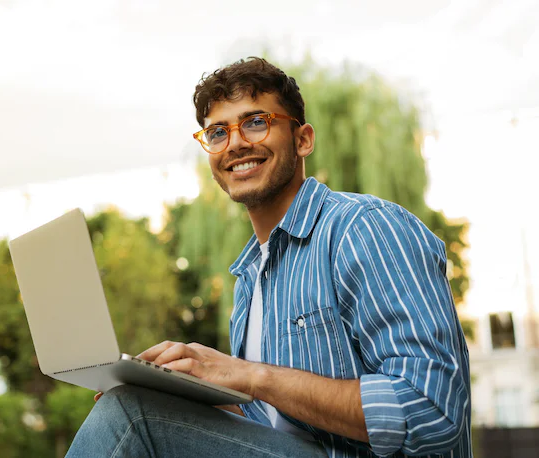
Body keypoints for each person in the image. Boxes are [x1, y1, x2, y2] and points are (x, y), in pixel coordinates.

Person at [66, 57, 471, 458]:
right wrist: (183, 392)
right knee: (137, 405)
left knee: (130, 416)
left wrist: (251, 376)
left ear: (303, 139)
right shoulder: (250, 276)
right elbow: (271, 426)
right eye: (218, 132)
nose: (236, 143)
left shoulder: (363, 228)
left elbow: (433, 410)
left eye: (256, 122)